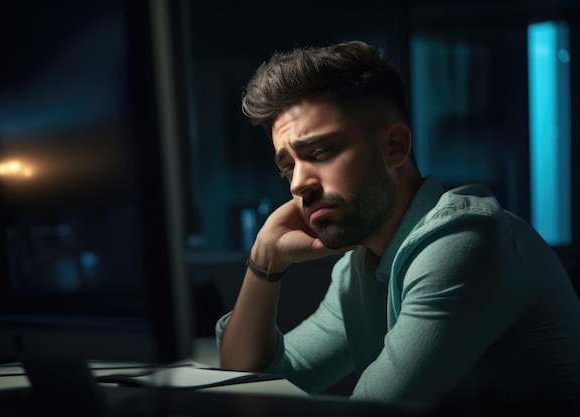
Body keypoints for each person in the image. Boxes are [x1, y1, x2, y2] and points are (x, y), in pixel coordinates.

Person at [215, 40, 580, 412]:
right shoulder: (361, 270)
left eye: (320, 152)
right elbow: (250, 387)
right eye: (288, 166)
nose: (297, 184)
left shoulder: (465, 242)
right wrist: (265, 260)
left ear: (395, 145)